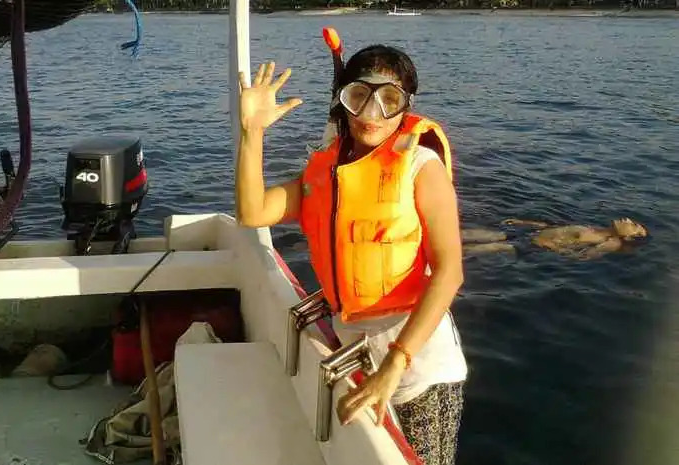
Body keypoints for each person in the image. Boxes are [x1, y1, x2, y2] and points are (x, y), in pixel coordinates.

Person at [235, 43, 467, 465]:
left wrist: (395, 363)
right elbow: (253, 212)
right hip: (362, 360)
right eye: (359, 96)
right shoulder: (326, 172)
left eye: (388, 100)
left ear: (406, 107)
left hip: (419, 373)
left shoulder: (421, 167)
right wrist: (253, 133)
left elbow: (449, 272)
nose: (370, 113)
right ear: (342, 100)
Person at [462, 217, 649, 260]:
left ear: (629, 237)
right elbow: (558, 228)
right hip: (526, 234)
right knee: (466, 234)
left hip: (534, 245)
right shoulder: (598, 228)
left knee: (469, 250)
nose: (627, 220)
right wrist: (524, 222)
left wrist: (552, 248)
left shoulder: (611, 243)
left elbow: (581, 257)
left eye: (633, 225)